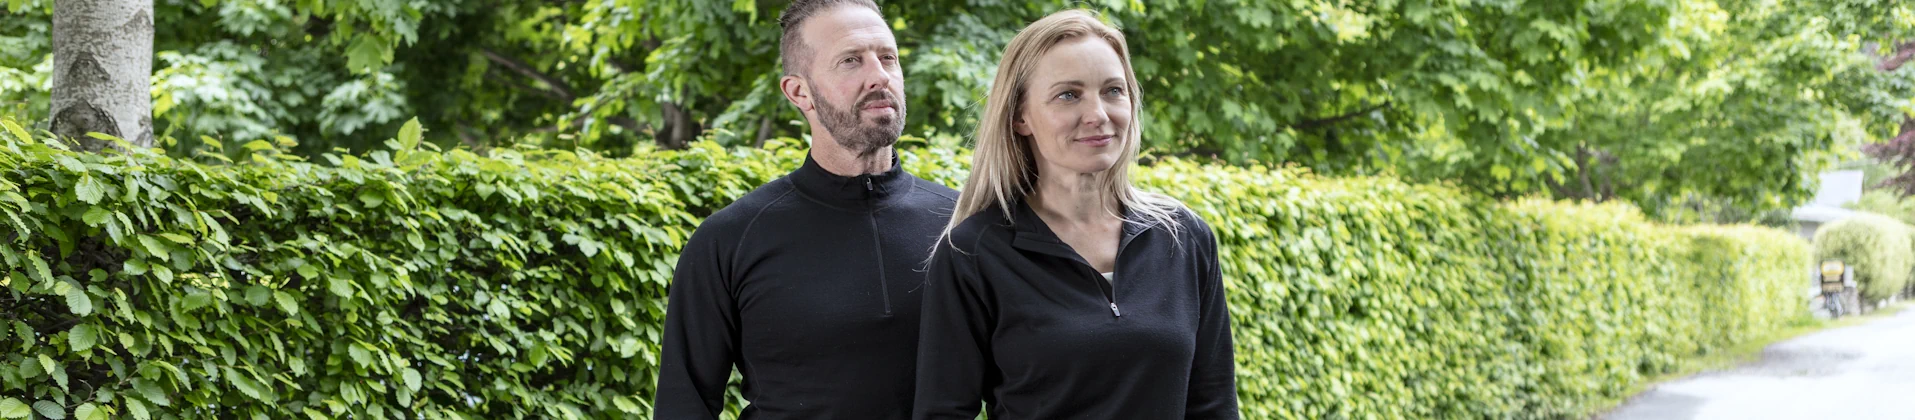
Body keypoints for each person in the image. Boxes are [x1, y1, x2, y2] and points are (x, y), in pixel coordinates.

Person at [912, 9, 1240, 420]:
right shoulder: (973, 253)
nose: (1098, 114)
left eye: (1113, 91)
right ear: (1020, 117)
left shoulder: (1184, 238)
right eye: (1069, 95)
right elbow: (942, 412)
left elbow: (1213, 404)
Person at [651, 1, 958, 418]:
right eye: (851, 61)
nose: (879, 76)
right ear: (799, 92)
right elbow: (682, 405)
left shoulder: (961, 224)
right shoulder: (731, 239)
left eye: (888, 58)